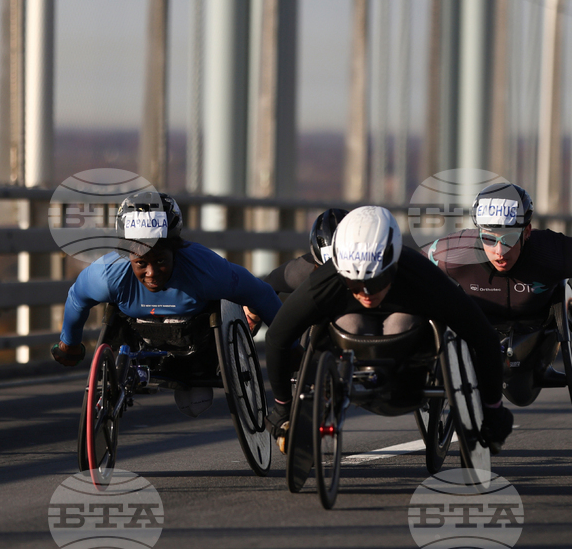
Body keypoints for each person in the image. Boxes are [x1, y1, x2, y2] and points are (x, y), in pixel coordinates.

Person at [263, 206, 513, 453]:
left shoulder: (423, 277)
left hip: (409, 360)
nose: (367, 294)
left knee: (399, 323)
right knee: (345, 324)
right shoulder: (326, 281)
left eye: (376, 281)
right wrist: (283, 408)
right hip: (351, 340)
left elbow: (483, 338)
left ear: (393, 265)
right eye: (355, 284)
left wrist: (493, 410)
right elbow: (277, 338)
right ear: (341, 271)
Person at [426, 182, 572, 383]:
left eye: (508, 239)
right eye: (489, 239)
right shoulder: (453, 252)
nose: (499, 252)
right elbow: (411, 267)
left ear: (527, 232)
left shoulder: (550, 251)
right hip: (479, 328)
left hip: (538, 334)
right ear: (478, 233)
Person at [51, 192, 282, 371]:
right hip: (135, 338)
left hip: (198, 341)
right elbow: (77, 298)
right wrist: (69, 344)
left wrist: (289, 346)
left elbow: (261, 294)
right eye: (141, 263)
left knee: (195, 402)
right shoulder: (108, 274)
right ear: (128, 256)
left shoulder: (205, 270)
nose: (151, 273)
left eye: (160, 260)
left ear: (176, 251)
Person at [242, 208, 349, 328]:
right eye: (326, 270)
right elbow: (270, 283)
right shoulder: (304, 270)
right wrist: (251, 316)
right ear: (317, 262)